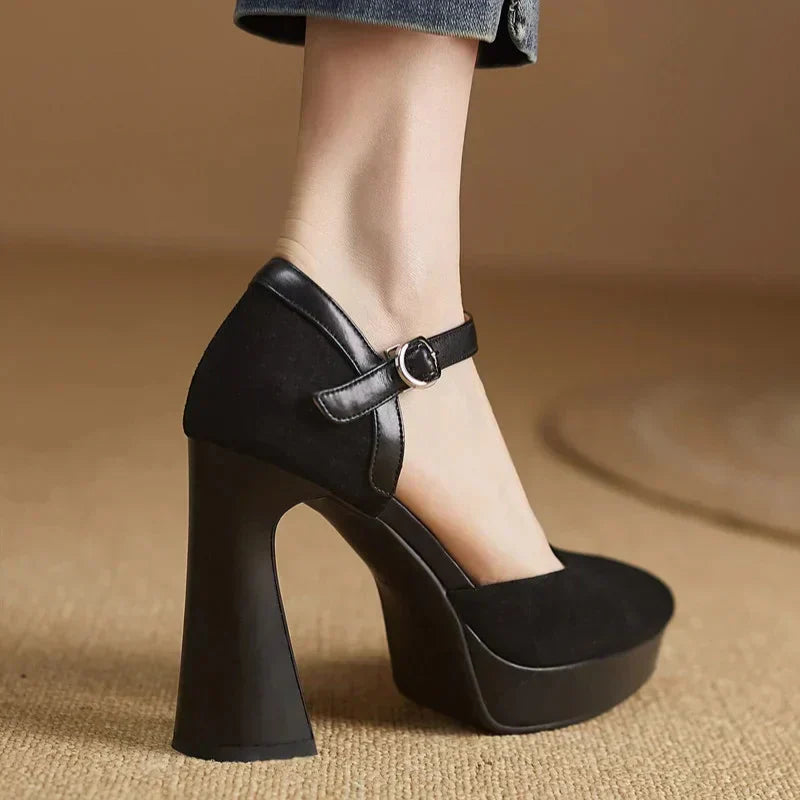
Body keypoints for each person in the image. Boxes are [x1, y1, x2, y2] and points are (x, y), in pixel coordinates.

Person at [171, 3, 674, 762]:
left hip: (335, 373)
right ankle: (379, 300)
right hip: (369, 373)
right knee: (375, 273)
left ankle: (347, 297)